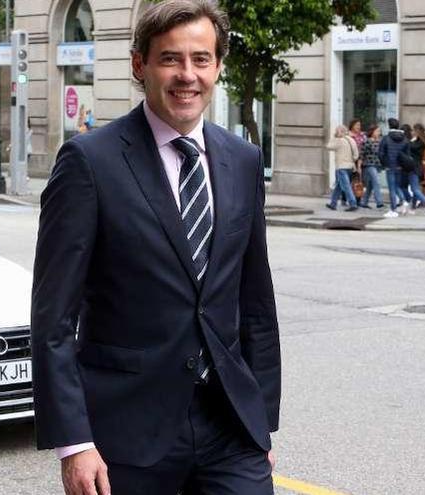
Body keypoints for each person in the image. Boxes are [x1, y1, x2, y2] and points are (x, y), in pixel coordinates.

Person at [31, 1, 281, 494]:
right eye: (170, 59)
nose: (187, 75)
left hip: (230, 427)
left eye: (201, 59)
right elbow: (53, 318)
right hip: (127, 434)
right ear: (138, 64)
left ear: (218, 66)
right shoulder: (89, 162)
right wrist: (74, 443)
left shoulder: (244, 160)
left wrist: (262, 422)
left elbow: (255, 303)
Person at [378, 118, 410, 218]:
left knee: (392, 188)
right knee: (397, 186)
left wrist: (384, 164)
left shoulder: (386, 138)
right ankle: (404, 201)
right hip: (400, 166)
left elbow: (381, 153)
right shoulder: (405, 139)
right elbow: (408, 154)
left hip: (390, 166)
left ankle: (393, 209)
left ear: (389, 126)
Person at [325, 125, 359, 211]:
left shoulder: (339, 141)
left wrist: (334, 137)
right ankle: (333, 203)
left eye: (337, 131)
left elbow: (328, 146)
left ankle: (353, 203)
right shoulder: (352, 140)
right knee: (339, 185)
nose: (336, 133)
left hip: (341, 167)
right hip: (350, 167)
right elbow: (356, 155)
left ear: (339, 132)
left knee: (346, 186)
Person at [359, 124, 385, 209]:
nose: (379, 133)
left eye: (379, 131)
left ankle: (364, 201)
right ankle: (379, 202)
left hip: (377, 165)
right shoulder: (367, 141)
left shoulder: (381, 141)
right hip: (369, 164)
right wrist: (359, 166)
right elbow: (361, 154)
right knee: (376, 181)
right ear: (372, 131)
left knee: (370, 184)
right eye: (377, 131)